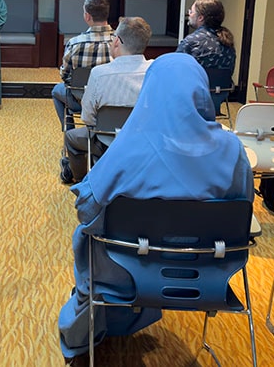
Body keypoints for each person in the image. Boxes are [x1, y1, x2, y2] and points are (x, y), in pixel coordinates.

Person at [57, 53, 254, 360]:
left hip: (126, 270)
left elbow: (87, 209)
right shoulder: (233, 150)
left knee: (90, 232)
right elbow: (244, 208)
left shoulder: (129, 147)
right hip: (207, 272)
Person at [60, 17, 153, 184]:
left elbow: (87, 118)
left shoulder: (99, 73)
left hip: (106, 141)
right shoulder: (154, 71)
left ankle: (83, 181)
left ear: (117, 41)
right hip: (144, 142)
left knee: (71, 138)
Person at [52, 0, 114, 131]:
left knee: (56, 90)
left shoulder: (75, 43)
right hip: (111, 102)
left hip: (81, 101)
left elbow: (65, 75)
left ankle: (70, 135)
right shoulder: (118, 42)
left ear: (87, 16)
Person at [177, 0, 236, 72]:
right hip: (223, 84)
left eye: (191, 11)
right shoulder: (227, 42)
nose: (189, 14)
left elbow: (176, 70)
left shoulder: (191, 42)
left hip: (197, 84)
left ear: (200, 18)